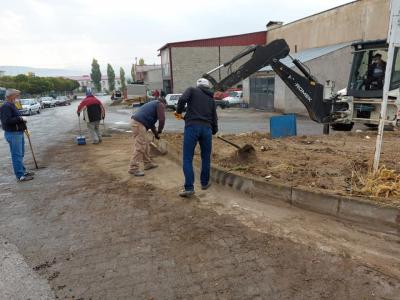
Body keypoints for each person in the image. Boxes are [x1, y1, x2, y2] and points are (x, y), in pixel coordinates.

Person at [175, 78, 218, 197]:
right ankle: (204, 183)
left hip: (192, 127)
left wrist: (178, 112)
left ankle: (189, 188)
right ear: (208, 87)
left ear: (198, 85)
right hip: (207, 129)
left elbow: (183, 99)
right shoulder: (211, 98)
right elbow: (214, 117)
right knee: (206, 157)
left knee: (188, 158)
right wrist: (214, 130)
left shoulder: (192, 90)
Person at [0, 89, 34, 181]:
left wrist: (22, 121)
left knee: (20, 153)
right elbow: (6, 121)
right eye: (17, 95)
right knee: (17, 155)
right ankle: (20, 175)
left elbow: (15, 117)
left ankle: (22, 171)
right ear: (11, 96)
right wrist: (20, 118)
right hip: (13, 133)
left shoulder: (11, 105)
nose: (18, 97)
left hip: (18, 132)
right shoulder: (5, 106)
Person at [129, 99, 166, 176]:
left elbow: (151, 124)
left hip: (137, 123)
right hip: (139, 124)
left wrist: (156, 134)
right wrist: (160, 131)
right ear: (164, 103)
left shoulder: (153, 105)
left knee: (145, 144)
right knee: (140, 147)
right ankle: (133, 168)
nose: (164, 109)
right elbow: (162, 120)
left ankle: (147, 163)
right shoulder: (160, 104)